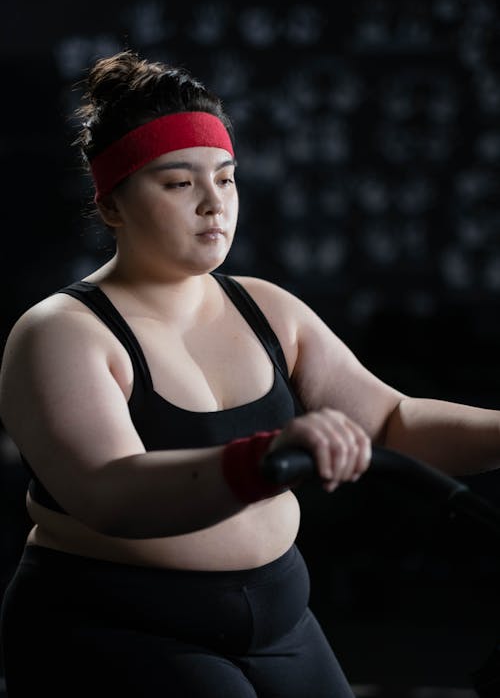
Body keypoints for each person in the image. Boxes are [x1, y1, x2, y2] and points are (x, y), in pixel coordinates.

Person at [0, 49, 499, 698]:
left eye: (227, 179)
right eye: (180, 183)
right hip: (117, 625)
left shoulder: (268, 308)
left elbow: (391, 422)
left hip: (281, 620)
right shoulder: (59, 332)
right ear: (112, 205)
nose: (214, 203)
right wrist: (263, 458)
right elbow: (110, 493)